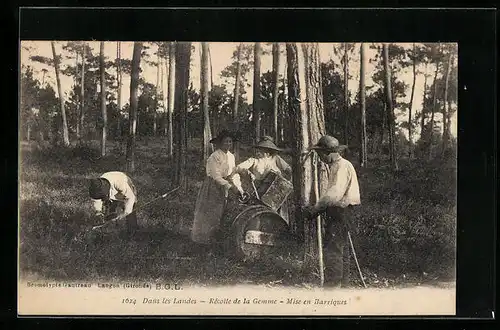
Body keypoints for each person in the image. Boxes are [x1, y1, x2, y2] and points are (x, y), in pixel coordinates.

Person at [302, 135, 361, 287]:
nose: (321, 158)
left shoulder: (340, 167)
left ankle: (332, 287)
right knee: (342, 250)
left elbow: (334, 194)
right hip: (343, 211)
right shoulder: (339, 165)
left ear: (328, 153)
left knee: (333, 251)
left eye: (321, 154)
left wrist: (315, 209)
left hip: (340, 211)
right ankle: (343, 285)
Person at [190, 130, 242, 250]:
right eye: (225, 142)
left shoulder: (231, 156)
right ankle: (203, 242)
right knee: (210, 213)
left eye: (230, 142)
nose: (228, 144)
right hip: (213, 186)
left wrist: (238, 187)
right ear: (220, 143)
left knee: (224, 213)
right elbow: (215, 175)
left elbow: (233, 173)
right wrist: (229, 186)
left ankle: (219, 241)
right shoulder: (214, 156)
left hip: (226, 185)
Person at [231, 136, 292, 221]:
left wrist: (287, 179)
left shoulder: (276, 158)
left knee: (279, 216)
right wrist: (247, 172)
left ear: (268, 151)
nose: (259, 152)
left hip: (276, 191)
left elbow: (288, 169)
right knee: (261, 214)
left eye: (262, 150)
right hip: (259, 191)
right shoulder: (254, 160)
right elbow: (238, 167)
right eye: (259, 149)